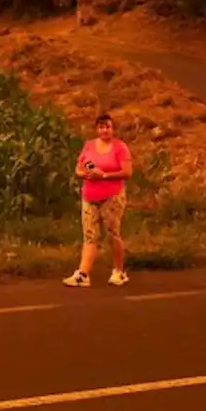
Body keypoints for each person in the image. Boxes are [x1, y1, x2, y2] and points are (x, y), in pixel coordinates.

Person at [64, 112, 133, 288]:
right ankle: (83, 273)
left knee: (112, 234)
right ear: (97, 129)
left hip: (112, 196)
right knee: (89, 235)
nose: (104, 130)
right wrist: (86, 173)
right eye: (101, 127)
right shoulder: (89, 146)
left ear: (113, 129)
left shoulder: (120, 148)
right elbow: (78, 168)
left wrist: (104, 175)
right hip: (89, 195)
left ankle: (119, 271)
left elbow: (127, 172)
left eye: (108, 126)